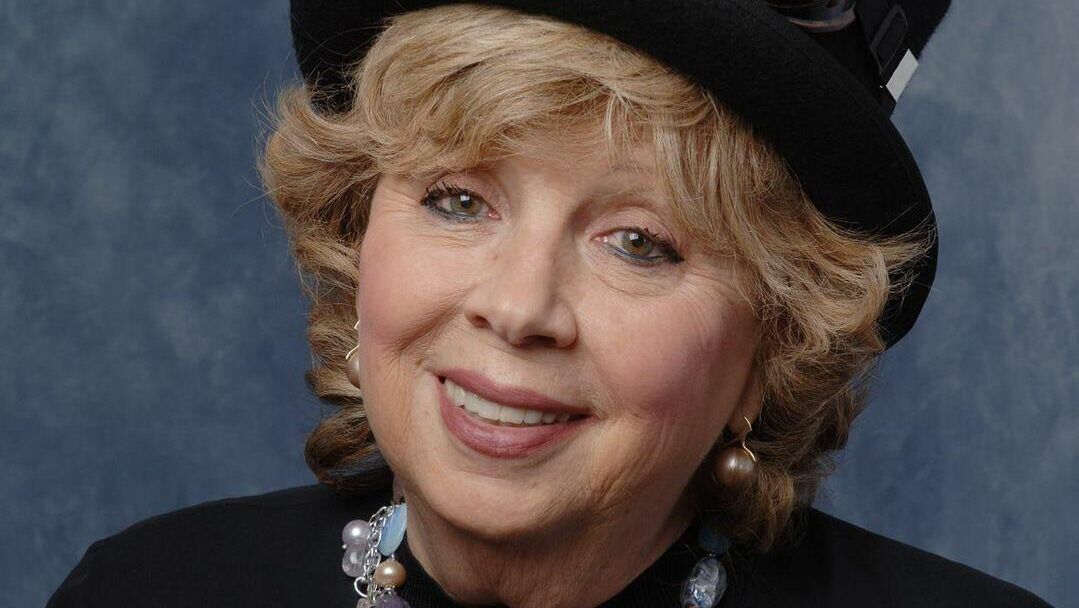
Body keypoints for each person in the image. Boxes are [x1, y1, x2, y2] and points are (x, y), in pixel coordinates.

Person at [47, 1, 1054, 607]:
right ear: (357, 241)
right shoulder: (145, 590)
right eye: (458, 200)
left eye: (639, 243)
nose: (518, 306)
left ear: (770, 347)